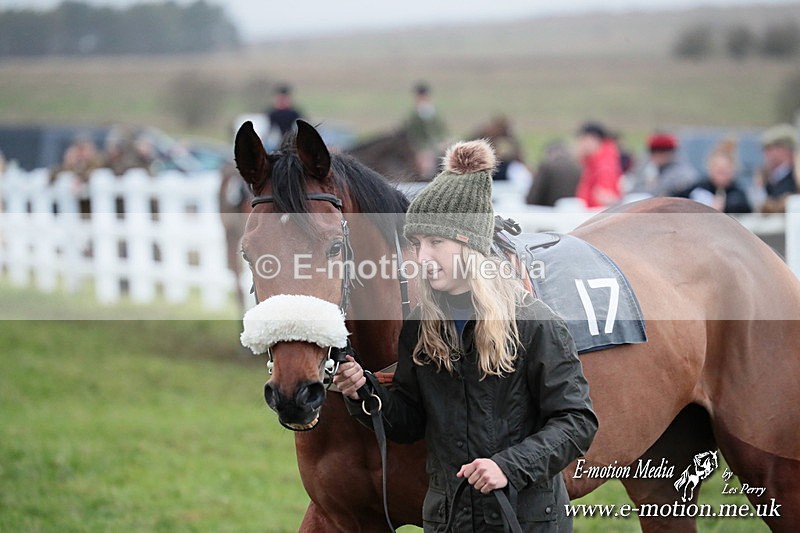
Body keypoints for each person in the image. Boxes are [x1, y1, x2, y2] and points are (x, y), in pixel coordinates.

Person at [334, 139, 598, 532]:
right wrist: (364, 391)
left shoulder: (534, 323)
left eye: (435, 243)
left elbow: (577, 421)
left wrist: (508, 466)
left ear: (470, 244)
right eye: (417, 244)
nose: (421, 258)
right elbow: (409, 420)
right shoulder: (422, 326)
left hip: (524, 522)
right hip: (449, 521)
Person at [676, 140, 751, 213]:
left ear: (733, 170)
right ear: (710, 168)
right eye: (718, 170)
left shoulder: (737, 193)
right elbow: (678, 199)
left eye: (725, 170)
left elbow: (743, 207)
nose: (721, 174)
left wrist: (725, 206)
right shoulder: (698, 188)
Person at [631, 132, 699, 197]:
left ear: (672, 153)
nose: (658, 155)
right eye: (654, 151)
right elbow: (635, 189)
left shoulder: (683, 173)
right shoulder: (647, 168)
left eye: (663, 151)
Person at [405, 82, 448, 179]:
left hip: (438, 142)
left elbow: (441, 129)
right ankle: (427, 180)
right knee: (426, 163)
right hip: (422, 145)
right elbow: (413, 133)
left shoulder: (433, 111)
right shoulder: (415, 114)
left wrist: (443, 140)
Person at [574, 122, 622, 208]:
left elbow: (604, 196)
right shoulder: (593, 161)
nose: (580, 145)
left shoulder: (604, 165)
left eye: (582, 140)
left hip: (595, 214)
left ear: (592, 139)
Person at [755, 123, 798, 213]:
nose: (765, 153)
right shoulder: (766, 178)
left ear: (785, 149)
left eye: (770, 148)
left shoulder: (795, 178)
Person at [525, 140, 582, 206]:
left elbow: (533, 197)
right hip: (574, 210)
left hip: (548, 211)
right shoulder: (577, 167)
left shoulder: (547, 167)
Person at [264, 83, 303, 147]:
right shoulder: (273, 113)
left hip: (291, 139)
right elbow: (270, 129)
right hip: (276, 140)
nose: (282, 101)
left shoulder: (294, 113)